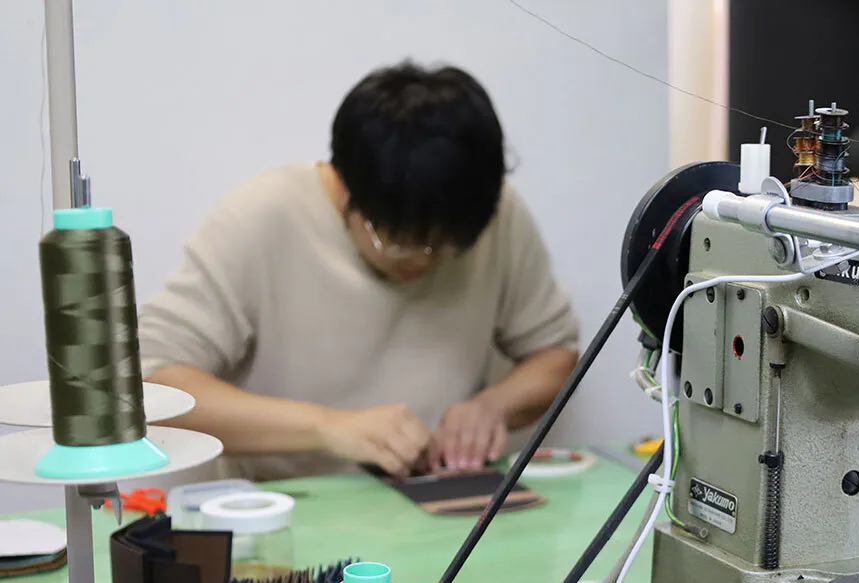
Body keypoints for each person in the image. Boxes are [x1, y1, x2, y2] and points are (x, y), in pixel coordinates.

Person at [139, 62, 579, 481]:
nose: (425, 262)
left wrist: (495, 406)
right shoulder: (262, 219)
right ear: (344, 185)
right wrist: (326, 427)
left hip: (438, 498)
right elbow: (152, 384)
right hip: (288, 508)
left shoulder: (488, 212)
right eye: (399, 243)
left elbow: (554, 352)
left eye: (447, 249)